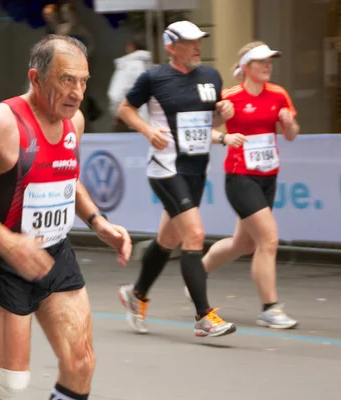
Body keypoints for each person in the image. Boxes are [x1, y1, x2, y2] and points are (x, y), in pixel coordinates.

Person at [0, 34, 132, 400]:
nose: (77, 92)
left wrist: (98, 221)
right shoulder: (0, 124)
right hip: (2, 260)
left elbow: (66, 175)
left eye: (83, 81)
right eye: (66, 79)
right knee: (9, 383)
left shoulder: (76, 122)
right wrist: (8, 242)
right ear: (36, 78)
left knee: (81, 364)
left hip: (55, 253)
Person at [116, 20, 239, 337]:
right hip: (166, 167)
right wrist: (146, 129)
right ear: (171, 46)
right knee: (194, 235)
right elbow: (125, 109)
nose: (198, 46)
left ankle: (136, 294)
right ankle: (203, 316)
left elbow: (209, 119)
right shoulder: (154, 78)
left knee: (169, 239)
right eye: (190, 41)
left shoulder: (211, 76)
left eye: (199, 40)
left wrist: (222, 113)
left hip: (196, 168)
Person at [185, 41, 300, 329]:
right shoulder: (231, 97)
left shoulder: (278, 94)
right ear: (246, 67)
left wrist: (288, 124)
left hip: (268, 177)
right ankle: (270, 308)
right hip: (240, 177)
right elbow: (202, 128)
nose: (268, 65)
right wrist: (219, 119)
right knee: (268, 239)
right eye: (261, 61)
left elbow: (292, 135)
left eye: (270, 60)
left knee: (244, 243)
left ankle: (197, 273)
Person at [107, 32, 153, 132]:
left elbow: (115, 96)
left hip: (129, 122)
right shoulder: (152, 67)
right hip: (150, 124)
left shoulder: (128, 67)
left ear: (131, 47)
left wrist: (118, 115)